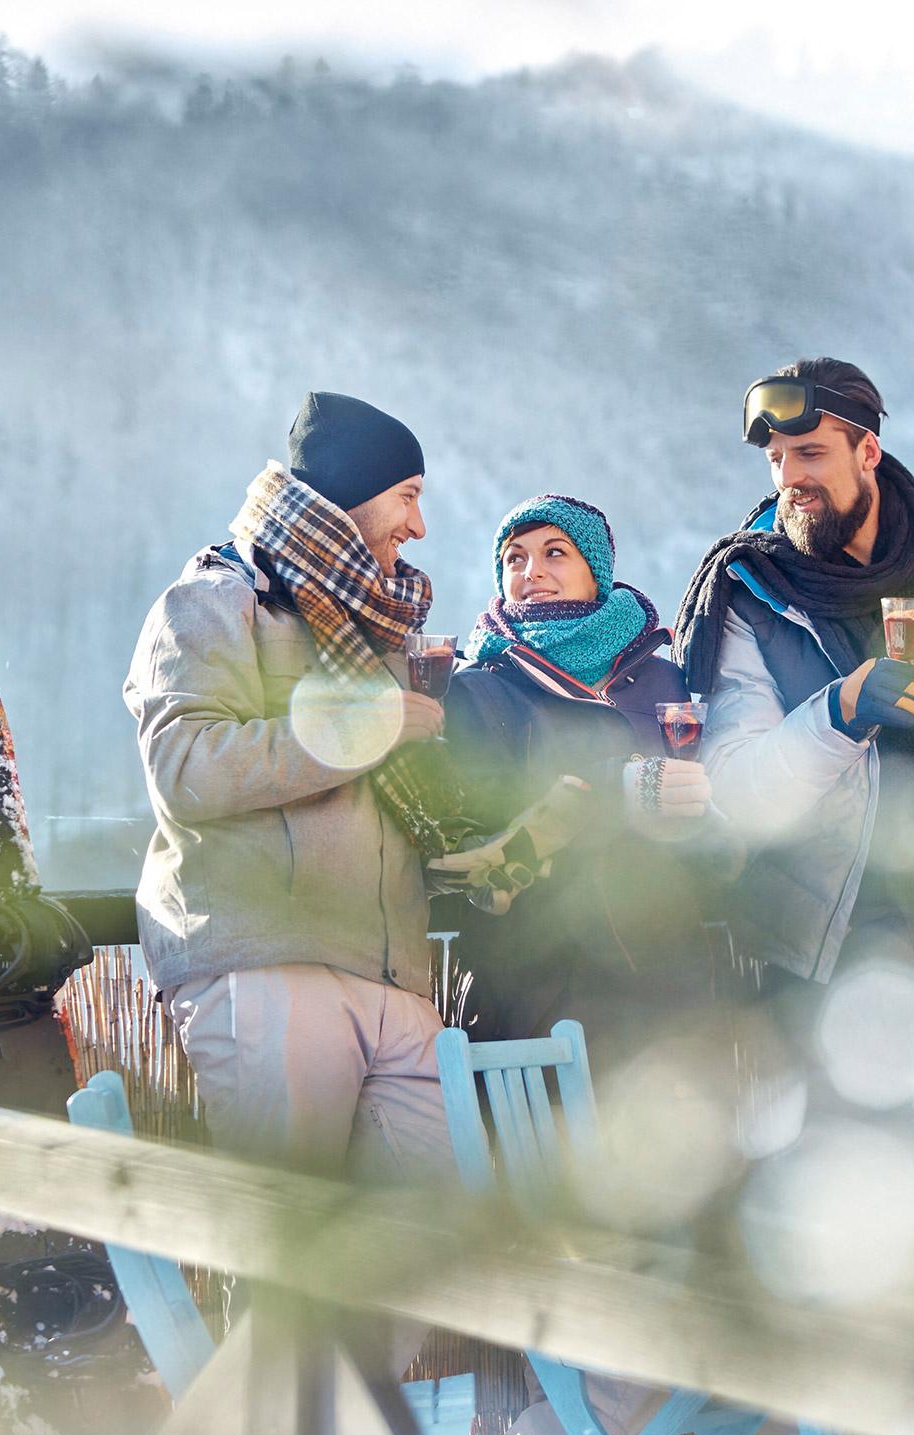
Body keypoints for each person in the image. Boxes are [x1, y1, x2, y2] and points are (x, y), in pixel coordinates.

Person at [673, 356, 914, 1145]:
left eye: (810, 455)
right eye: (776, 462)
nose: (789, 480)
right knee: (847, 1194)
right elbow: (738, 792)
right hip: (827, 939)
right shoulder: (752, 589)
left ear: (867, 450)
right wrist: (839, 712)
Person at [123, 390, 455, 1181]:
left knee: (432, 1265)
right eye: (407, 498)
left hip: (396, 980)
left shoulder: (372, 623)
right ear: (348, 500)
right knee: (292, 1268)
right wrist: (361, 728)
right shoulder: (213, 600)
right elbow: (186, 767)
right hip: (268, 964)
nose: (419, 527)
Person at [439, 493, 732, 1074]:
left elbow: (707, 802)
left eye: (555, 553)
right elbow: (473, 832)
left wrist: (707, 823)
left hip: (668, 974)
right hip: (536, 982)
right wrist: (613, 789)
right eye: (515, 559)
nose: (532, 573)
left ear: (595, 573)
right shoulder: (477, 689)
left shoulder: (661, 677)